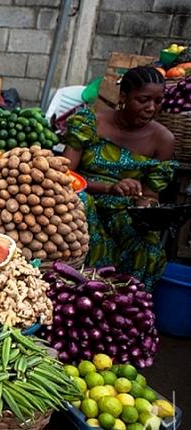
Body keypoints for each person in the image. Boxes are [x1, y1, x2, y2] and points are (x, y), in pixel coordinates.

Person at [63, 66, 177, 288]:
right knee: (81, 209)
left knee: (147, 246)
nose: (151, 108)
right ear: (123, 96)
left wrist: (144, 202)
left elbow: (151, 194)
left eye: (158, 101)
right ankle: (79, 293)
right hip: (85, 197)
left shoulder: (163, 139)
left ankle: (126, 304)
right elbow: (65, 174)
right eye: (143, 100)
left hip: (124, 209)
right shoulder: (90, 124)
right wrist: (108, 188)